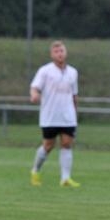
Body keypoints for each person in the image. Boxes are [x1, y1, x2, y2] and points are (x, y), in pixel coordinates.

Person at [30, 40, 80, 187]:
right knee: (48, 145)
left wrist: (75, 112)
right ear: (52, 55)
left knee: (66, 144)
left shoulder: (73, 72)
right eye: (56, 52)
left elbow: (74, 95)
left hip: (68, 116)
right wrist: (34, 95)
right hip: (50, 115)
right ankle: (35, 170)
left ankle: (65, 178)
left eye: (62, 51)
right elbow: (34, 87)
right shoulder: (45, 71)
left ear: (66, 53)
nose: (60, 54)